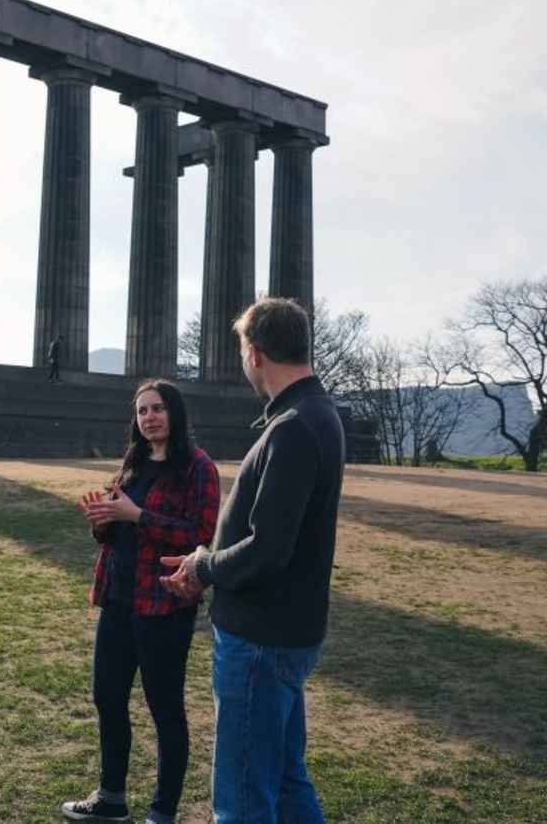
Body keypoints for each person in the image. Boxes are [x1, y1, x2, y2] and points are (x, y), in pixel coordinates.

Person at [160, 298, 345, 823]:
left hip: (261, 638)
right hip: (284, 632)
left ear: (256, 353)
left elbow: (268, 549)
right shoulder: (315, 414)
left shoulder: (294, 426)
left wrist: (203, 566)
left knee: (242, 799)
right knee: (284, 782)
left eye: (243, 349)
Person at [61, 379, 221, 824]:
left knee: (164, 709)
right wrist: (103, 521)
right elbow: (116, 533)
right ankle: (111, 798)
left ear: (175, 413)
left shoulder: (198, 467)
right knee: (107, 698)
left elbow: (200, 536)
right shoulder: (133, 463)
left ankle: (162, 813)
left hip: (164, 606)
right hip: (117, 599)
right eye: (142, 411)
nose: (149, 417)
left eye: (158, 408)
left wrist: (137, 515)